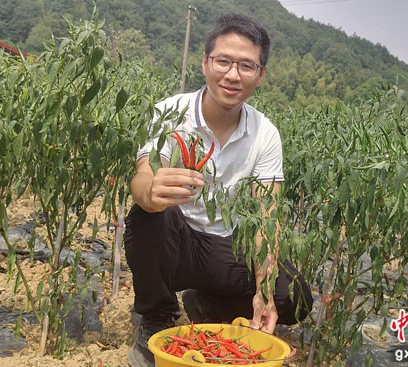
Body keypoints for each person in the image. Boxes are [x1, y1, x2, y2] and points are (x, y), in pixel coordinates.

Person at [124, 13, 314, 367]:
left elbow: (265, 217)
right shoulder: (171, 112)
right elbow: (143, 173)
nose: (232, 75)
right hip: (177, 244)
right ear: (205, 63)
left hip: (229, 248)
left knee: (293, 294)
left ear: (261, 75)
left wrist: (265, 290)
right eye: (223, 61)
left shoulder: (264, 133)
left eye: (246, 66)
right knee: (151, 214)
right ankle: (156, 317)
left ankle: (212, 304)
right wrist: (149, 191)